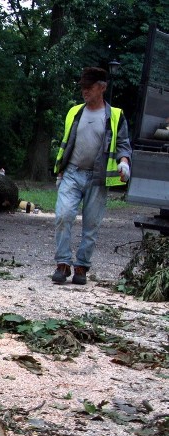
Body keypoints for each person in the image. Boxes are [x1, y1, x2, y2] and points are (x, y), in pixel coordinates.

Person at [51, 66, 132, 285]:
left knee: (91, 224)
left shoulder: (115, 116)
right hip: (71, 173)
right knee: (63, 216)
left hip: (98, 178)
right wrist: (59, 172)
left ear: (102, 88)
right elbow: (66, 143)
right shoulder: (74, 112)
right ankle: (62, 264)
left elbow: (124, 144)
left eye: (89, 87)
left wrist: (124, 163)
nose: (84, 91)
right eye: (83, 87)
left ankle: (81, 267)